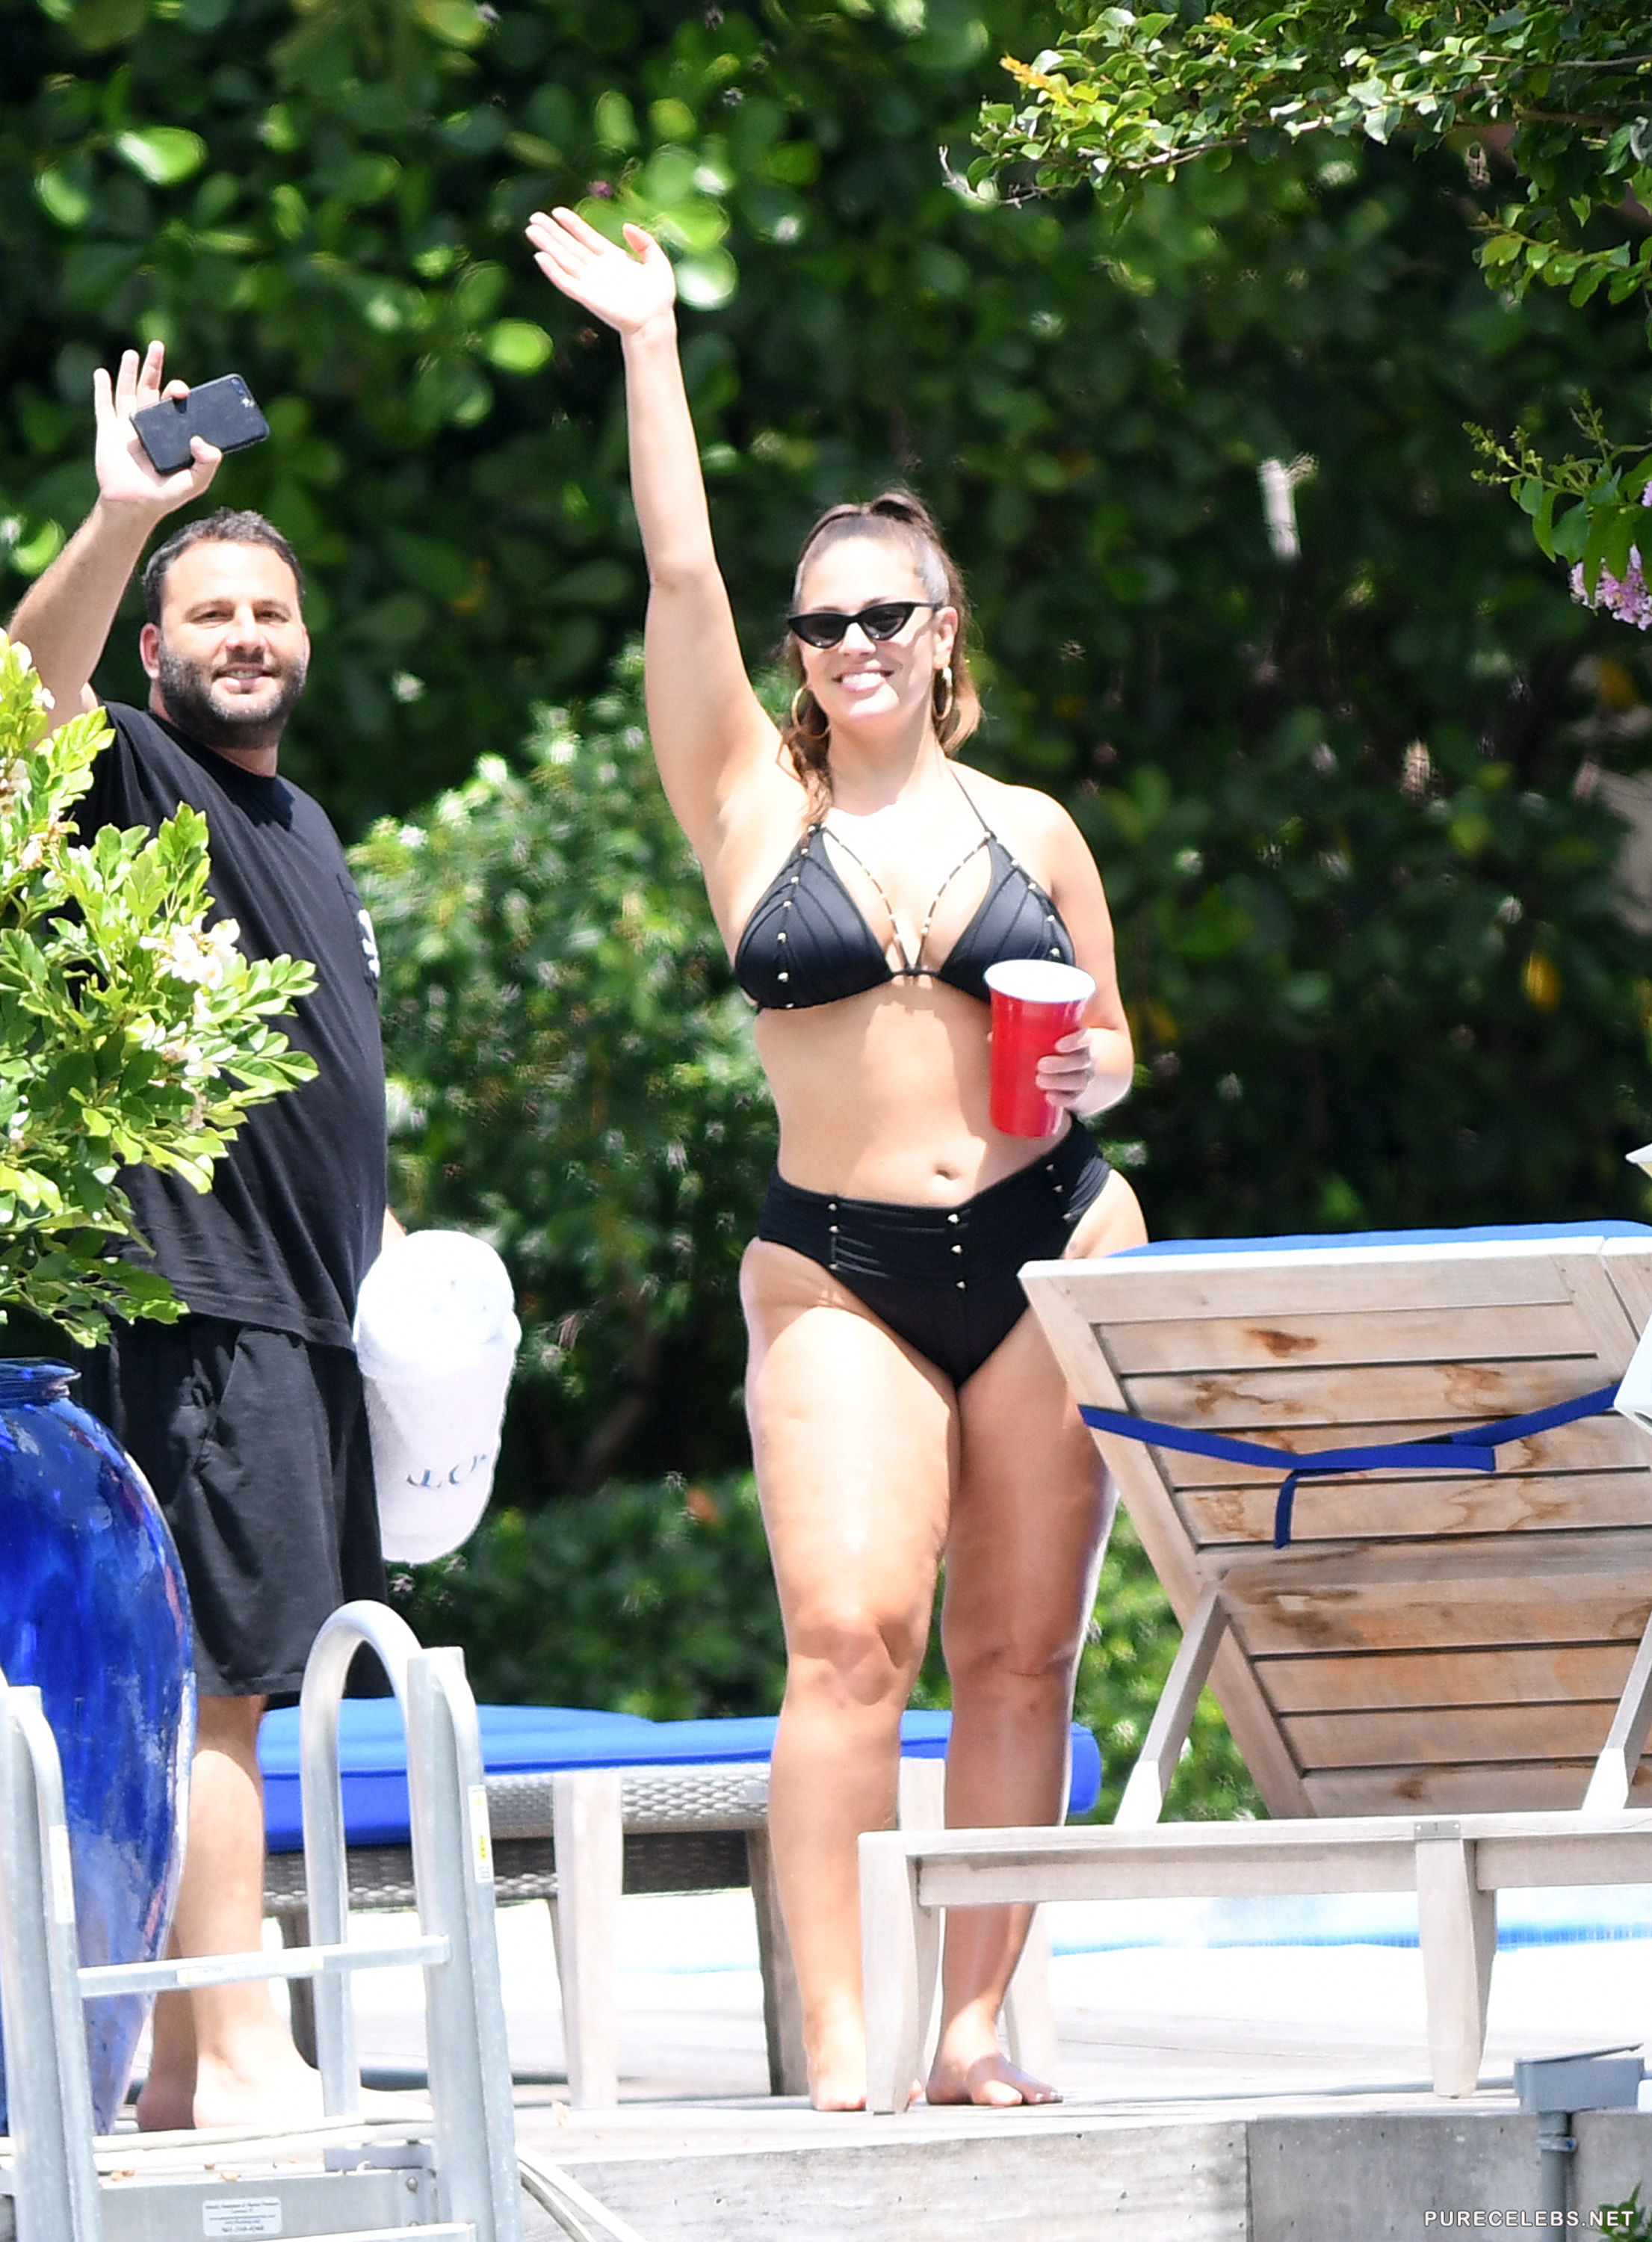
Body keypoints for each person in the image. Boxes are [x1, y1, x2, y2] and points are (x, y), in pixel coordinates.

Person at [526, 208, 1148, 2110]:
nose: (853, 644)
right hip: (837, 1268)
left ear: (942, 631)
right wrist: (649, 345)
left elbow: (1109, 1049)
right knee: (846, 1639)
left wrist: (1093, 1069)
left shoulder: (1033, 826)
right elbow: (678, 571)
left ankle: (969, 2031)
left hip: (1047, 1243)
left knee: (1019, 1655)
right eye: (825, 624)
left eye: (887, 614)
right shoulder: (746, 803)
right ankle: (843, 2038)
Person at [8, 343, 395, 2131]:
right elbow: (21, 697)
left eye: (268, 610)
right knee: (221, 1692)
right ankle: (237, 2052)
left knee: (244, 1683)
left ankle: (179, 2073)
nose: (244, 634)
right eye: (210, 613)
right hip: (193, 1303)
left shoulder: (299, 819)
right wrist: (118, 520)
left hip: (299, 1320)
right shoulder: (135, 774)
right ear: (157, 652)